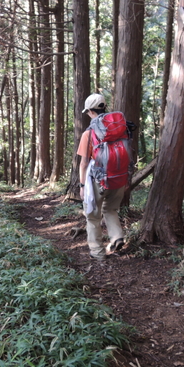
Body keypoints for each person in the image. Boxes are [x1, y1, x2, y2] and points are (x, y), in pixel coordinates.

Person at [77, 93, 126, 261]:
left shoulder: (89, 133)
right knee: (110, 209)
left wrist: (82, 186)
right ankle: (117, 236)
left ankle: (97, 252)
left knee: (92, 216)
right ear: (104, 107)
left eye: (87, 112)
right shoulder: (120, 128)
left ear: (91, 111)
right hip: (119, 177)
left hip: (98, 179)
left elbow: (84, 163)